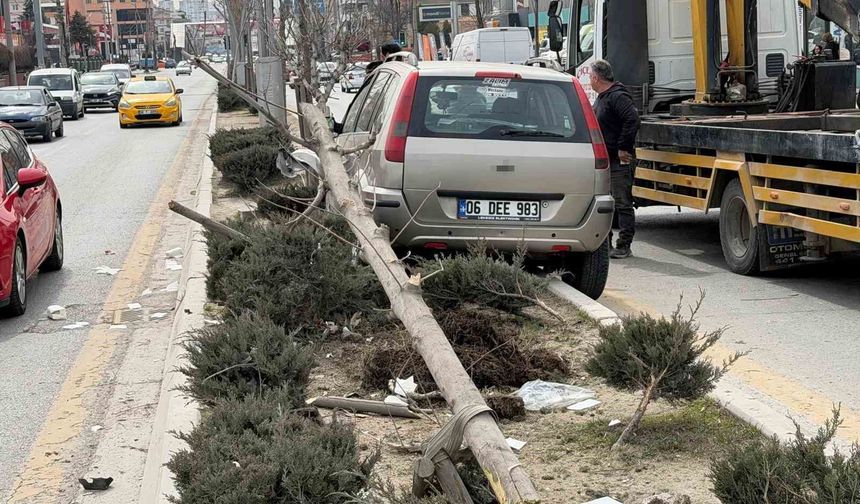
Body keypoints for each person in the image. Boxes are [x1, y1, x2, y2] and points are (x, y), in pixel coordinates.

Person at [589, 59, 640, 259]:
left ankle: (624, 244)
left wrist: (623, 148)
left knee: (622, 203)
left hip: (619, 161)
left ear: (596, 77)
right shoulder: (602, 97)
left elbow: (632, 120)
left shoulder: (618, 96)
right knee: (606, 204)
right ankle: (606, 243)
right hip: (605, 160)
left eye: (591, 77)